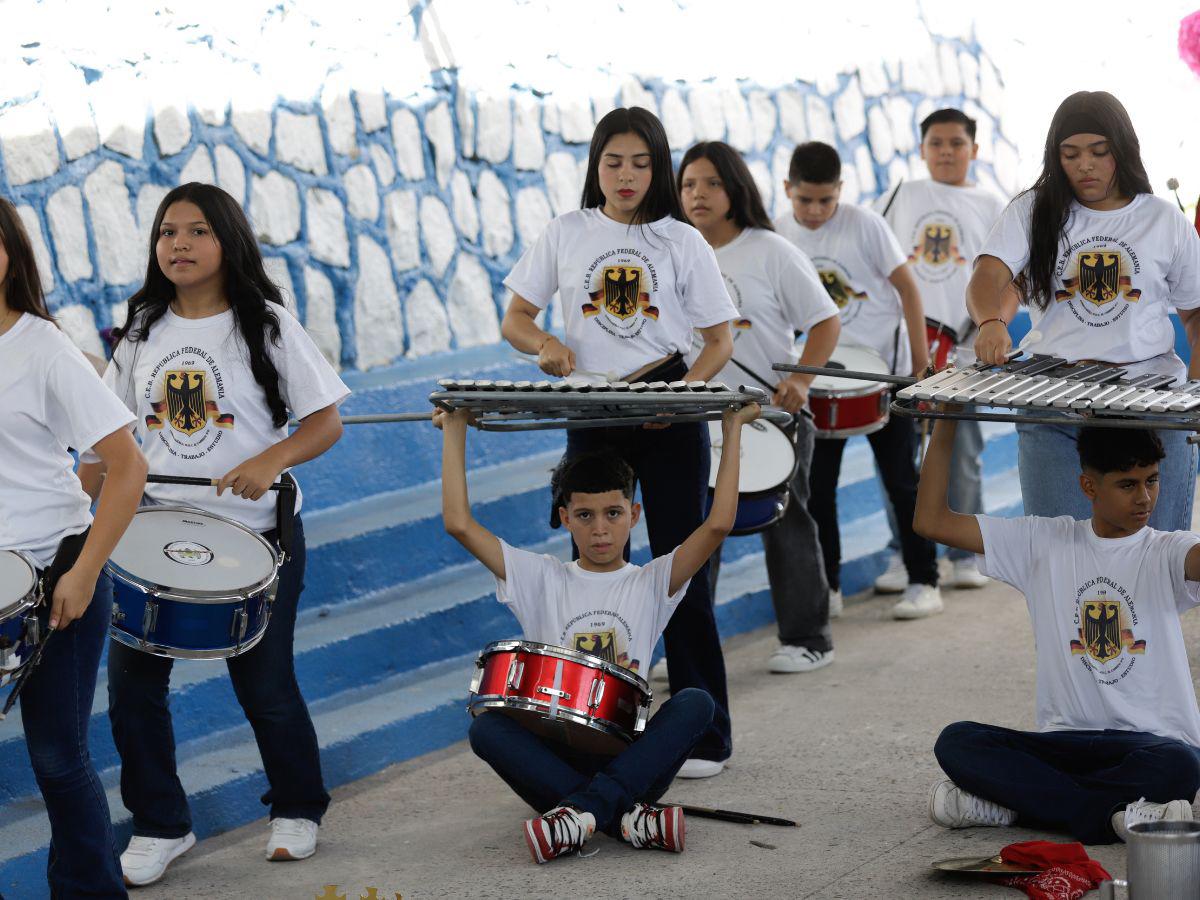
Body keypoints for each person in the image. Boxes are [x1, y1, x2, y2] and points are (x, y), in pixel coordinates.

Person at [78, 183, 349, 886]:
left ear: (228, 241)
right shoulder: (140, 333)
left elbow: (325, 422)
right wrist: (84, 490)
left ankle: (297, 807)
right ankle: (162, 823)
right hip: (150, 541)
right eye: (168, 232)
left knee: (264, 684)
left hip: (254, 539)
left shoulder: (267, 325)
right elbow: (107, 442)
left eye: (197, 231)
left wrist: (270, 459)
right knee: (133, 690)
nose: (179, 245)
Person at [500, 107, 738, 778]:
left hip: (668, 413)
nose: (627, 175)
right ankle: (592, 723)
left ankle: (708, 733)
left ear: (658, 167)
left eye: (641, 162)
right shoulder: (565, 232)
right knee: (593, 569)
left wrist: (684, 392)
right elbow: (516, 318)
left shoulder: (681, 239)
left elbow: (719, 340)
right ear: (595, 165)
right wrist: (545, 343)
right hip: (592, 412)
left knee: (679, 571)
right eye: (613, 161)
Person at [441, 400, 759, 862]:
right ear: (565, 518)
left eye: (613, 513)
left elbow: (718, 524)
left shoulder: (653, 581)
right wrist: (455, 430)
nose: (601, 530)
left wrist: (731, 431)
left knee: (697, 702)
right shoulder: (539, 577)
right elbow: (458, 523)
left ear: (634, 515)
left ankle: (581, 815)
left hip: (631, 756)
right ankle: (624, 816)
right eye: (585, 516)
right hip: (555, 754)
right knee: (485, 727)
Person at [915, 416, 1200, 844]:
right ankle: (1114, 815)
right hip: (1065, 743)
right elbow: (931, 521)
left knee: (1184, 766)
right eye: (1127, 484)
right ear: (1089, 487)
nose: (1145, 498)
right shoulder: (1043, 542)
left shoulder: (1167, 549)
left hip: (1153, 747)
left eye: (1152, 481)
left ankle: (1014, 807)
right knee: (957, 742)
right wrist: (946, 420)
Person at [0, 196, 148, 898]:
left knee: (58, 758)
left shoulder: (43, 348)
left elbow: (126, 466)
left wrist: (86, 572)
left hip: (53, 570)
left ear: (10, 254)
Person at [969, 90, 1200, 530]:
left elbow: (1196, 315)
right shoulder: (1032, 210)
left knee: (1156, 566)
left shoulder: (1163, 220)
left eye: (1099, 152)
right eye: (1070, 154)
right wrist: (990, 321)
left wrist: (1196, 394)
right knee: (1061, 559)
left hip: (1153, 406)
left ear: (1123, 150)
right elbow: (986, 275)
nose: (1085, 165)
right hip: (1054, 409)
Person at [678, 140, 841, 672]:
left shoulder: (770, 250)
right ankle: (690, 649)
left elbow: (825, 320)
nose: (698, 194)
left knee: (787, 522)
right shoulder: (673, 252)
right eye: (687, 184)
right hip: (701, 419)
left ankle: (808, 638)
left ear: (735, 189)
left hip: (771, 415)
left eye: (711, 183)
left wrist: (800, 379)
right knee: (698, 529)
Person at [774, 141, 942, 620]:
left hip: (881, 377)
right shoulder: (779, 232)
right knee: (817, 488)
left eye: (825, 200)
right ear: (787, 189)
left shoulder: (865, 224)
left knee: (902, 483)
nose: (814, 210)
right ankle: (828, 587)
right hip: (820, 380)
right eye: (804, 199)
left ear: (840, 192)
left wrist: (916, 362)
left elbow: (908, 289)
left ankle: (924, 579)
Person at [872, 108, 1006, 594]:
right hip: (906, 351)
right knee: (900, 458)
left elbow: (1007, 277)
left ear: (974, 148)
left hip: (965, 351)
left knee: (962, 453)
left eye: (956, 142)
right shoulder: (898, 196)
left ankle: (966, 551)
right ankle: (901, 550)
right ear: (922, 147)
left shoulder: (994, 205)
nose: (946, 151)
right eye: (936, 143)